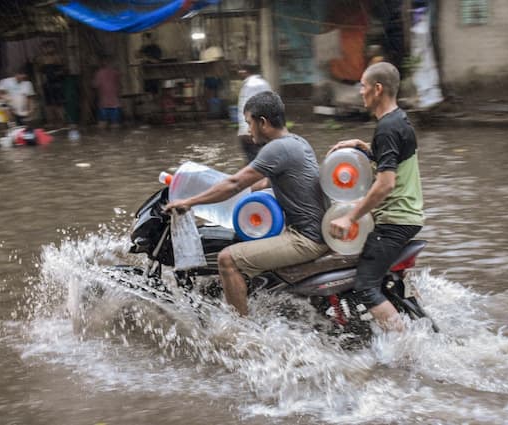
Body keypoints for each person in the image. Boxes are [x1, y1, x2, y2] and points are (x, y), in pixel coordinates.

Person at [165, 91, 329, 316]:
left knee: (227, 259)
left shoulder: (277, 148)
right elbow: (258, 183)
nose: (248, 130)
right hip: (314, 230)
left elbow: (234, 183)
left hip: (305, 238)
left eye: (249, 123)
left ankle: (239, 329)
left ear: (263, 122)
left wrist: (190, 202)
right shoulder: (296, 142)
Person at [327, 61, 424, 332]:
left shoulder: (387, 128)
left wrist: (350, 217)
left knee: (366, 286)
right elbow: (391, 157)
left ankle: (407, 348)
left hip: (394, 220)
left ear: (377, 89)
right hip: (409, 215)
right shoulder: (399, 120)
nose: (361, 92)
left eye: (363, 87)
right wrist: (361, 146)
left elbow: (385, 184)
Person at [236, 64, 271, 163]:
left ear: (245, 71)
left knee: (253, 162)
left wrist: (245, 130)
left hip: (252, 131)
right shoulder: (265, 83)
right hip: (265, 128)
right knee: (264, 160)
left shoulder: (249, 85)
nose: (238, 73)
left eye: (240, 70)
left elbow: (246, 108)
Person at [34, 40, 66, 126]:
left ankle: (61, 121)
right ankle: (51, 121)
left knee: (59, 104)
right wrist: (39, 84)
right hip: (46, 83)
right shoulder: (40, 59)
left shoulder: (59, 57)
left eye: (50, 47)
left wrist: (57, 73)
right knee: (48, 104)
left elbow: (64, 70)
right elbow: (38, 72)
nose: (48, 49)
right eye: (45, 48)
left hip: (57, 83)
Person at [92, 56, 122, 129]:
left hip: (103, 104)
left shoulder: (99, 73)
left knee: (102, 125)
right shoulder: (116, 73)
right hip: (115, 104)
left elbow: (94, 85)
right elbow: (120, 86)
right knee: (115, 126)